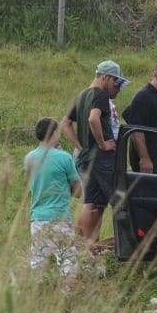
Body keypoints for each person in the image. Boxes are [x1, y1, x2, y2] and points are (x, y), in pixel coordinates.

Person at [60, 60, 128, 249]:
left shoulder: (81, 95)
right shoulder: (101, 95)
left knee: (92, 202)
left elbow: (65, 124)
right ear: (105, 77)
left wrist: (80, 146)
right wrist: (102, 143)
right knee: (120, 200)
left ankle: (87, 246)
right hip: (102, 159)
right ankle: (126, 245)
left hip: (85, 159)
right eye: (116, 81)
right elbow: (93, 118)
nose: (118, 87)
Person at [24, 117, 82, 277]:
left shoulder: (29, 158)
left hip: (37, 220)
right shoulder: (64, 157)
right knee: (68, 262)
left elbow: (31, 187)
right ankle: (66, 297)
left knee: (38, 263)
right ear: (54, 133)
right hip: (60, 219)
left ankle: (35, 296)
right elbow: (78, 192)